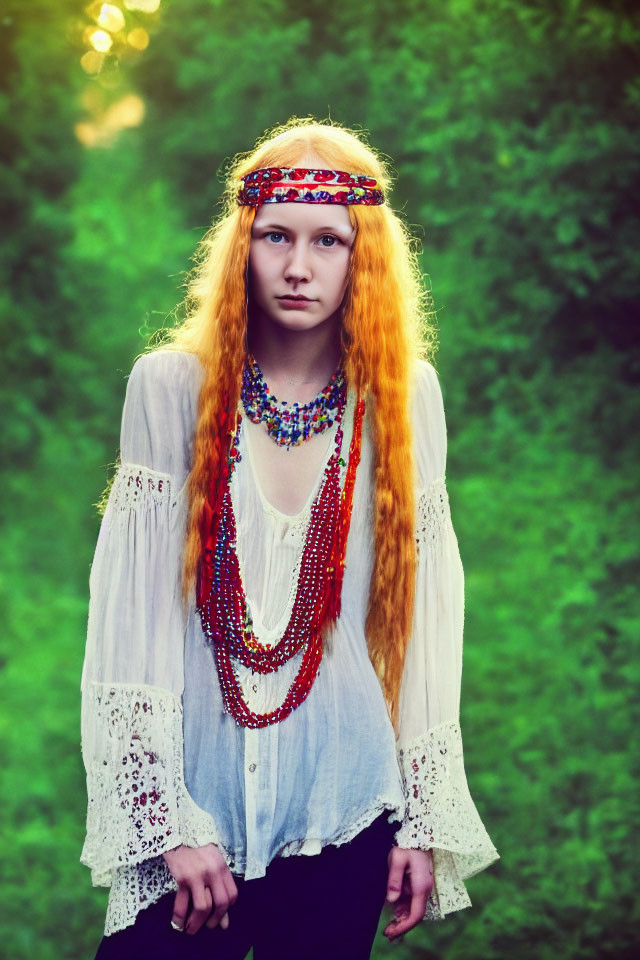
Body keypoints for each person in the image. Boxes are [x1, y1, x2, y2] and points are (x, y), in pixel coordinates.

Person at [80, 118, 499, 960]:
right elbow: (134, 629)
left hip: (343, 806)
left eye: (328, 240)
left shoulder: (404, 399)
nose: (299, 267)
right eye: (276, 235)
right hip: (193, 821)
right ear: (244, 244)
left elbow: (421, 623)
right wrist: (166, 821)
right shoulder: (170, 389)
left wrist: (419, 816)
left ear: (364, 255)